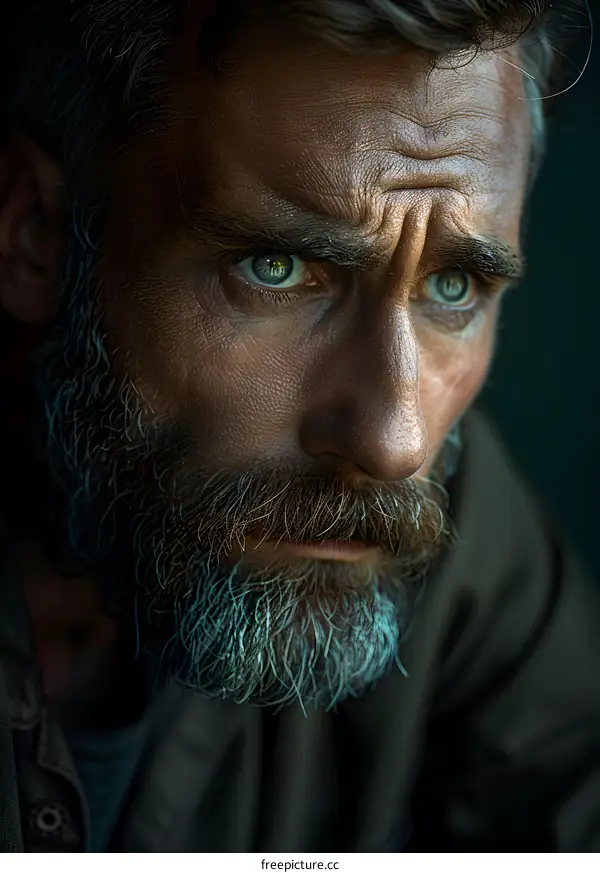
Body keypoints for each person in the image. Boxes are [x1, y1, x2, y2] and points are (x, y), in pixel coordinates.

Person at [0, 0, 598, 853]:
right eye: (276, 269)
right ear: (34, 233)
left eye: (454, 288)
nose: (395, 442)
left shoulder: (442, 532)